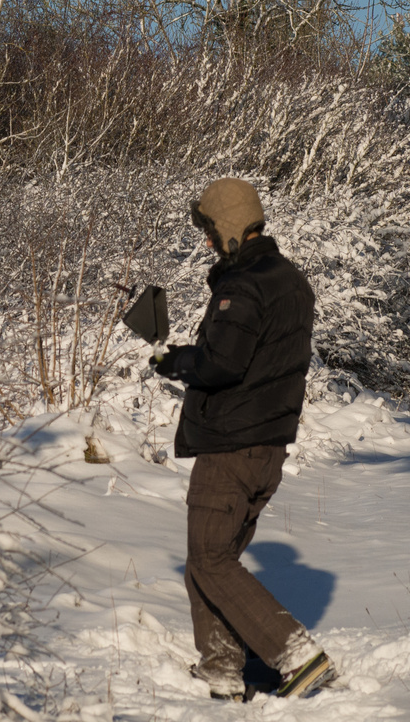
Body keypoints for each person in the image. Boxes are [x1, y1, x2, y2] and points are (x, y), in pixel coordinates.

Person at [152, 178, 336, 701]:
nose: (207, 242)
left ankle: (295, 653)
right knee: (211, 557)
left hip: (233, 443)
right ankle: (223, 667)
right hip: (267, 447)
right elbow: (258, 359)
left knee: (209, 558)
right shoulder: (290, 280)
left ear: (230, 230)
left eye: (211, 232)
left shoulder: (245, 284)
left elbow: (224, 364)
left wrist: (178, 360)